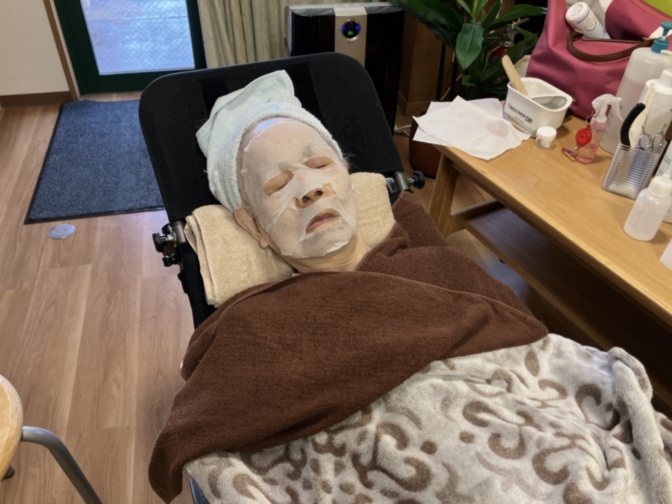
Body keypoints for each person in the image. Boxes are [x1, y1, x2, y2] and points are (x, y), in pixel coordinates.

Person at [148, 71, 672, 504]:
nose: (309, 188)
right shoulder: (253, 327)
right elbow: (200, 430)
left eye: (320, 165)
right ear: (253, 226)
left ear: (348, 177)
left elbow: (532, 352)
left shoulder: (440, 269)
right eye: (278, 185)